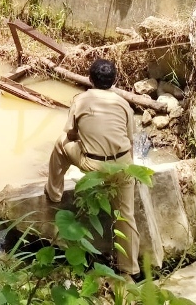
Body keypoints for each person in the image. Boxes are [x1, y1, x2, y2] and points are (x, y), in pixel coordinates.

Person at [44, 58, 141, 280]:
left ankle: (54, 192)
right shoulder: (123, 104)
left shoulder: (80, 100)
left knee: (61, 143)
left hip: (94, 165)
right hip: (123, 167)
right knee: (126, 216)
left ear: (90, 79)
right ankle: (130, 271)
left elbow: (70, 134)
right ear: (114, 81)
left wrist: (85, 136)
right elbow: (129, 139)